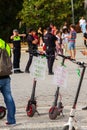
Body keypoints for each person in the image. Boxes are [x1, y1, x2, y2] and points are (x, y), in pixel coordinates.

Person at [0, 38, 16, 125]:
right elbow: (9, 57)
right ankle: (11, 120)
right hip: (6, 76)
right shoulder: (4, 43)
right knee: (9, 98)